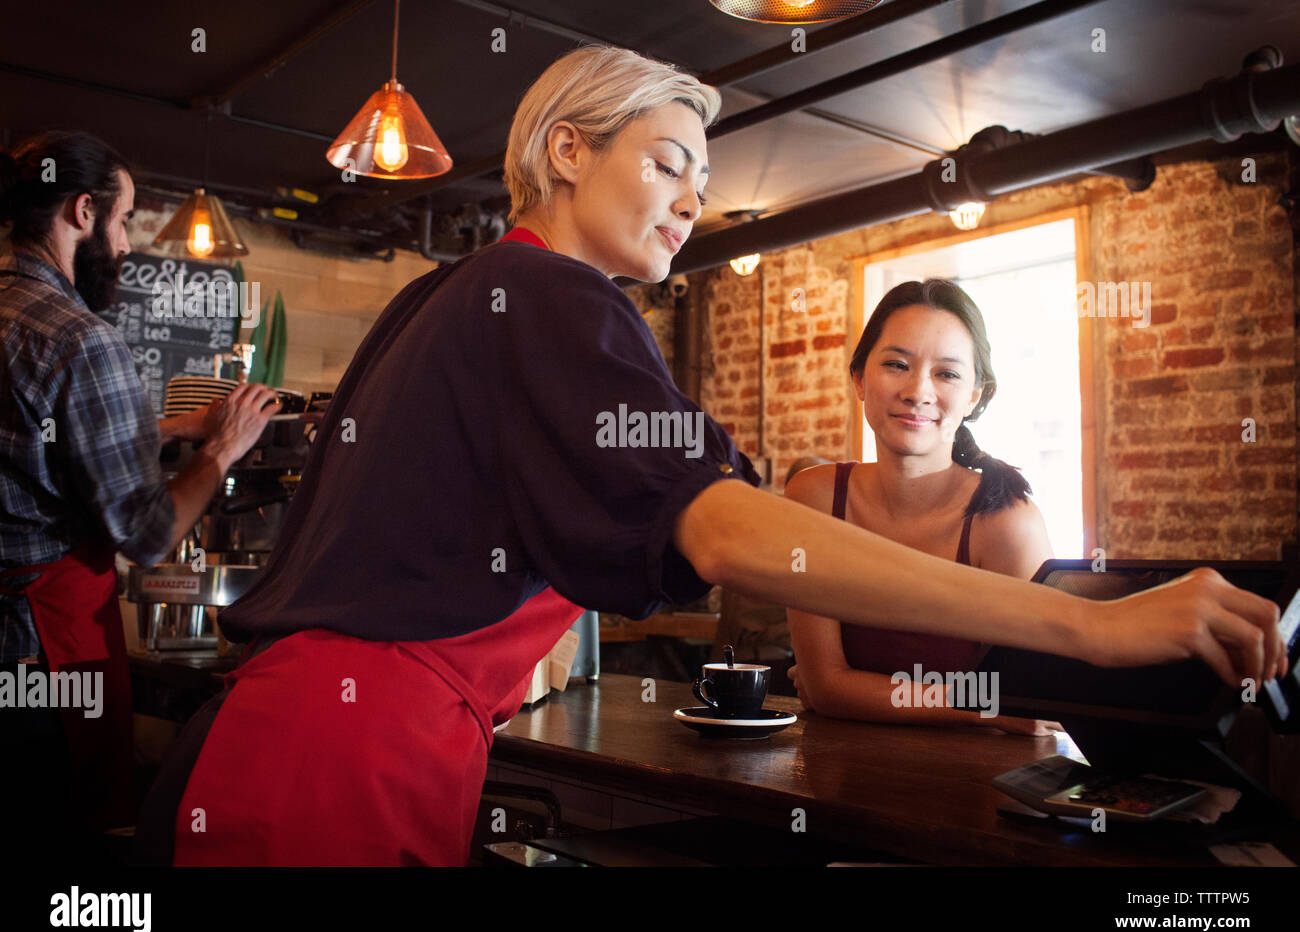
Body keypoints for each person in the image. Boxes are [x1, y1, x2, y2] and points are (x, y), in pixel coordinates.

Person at [134, 45, 1284, 867]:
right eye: (670, 160)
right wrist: (1092, 623)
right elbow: (723, 526)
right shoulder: (553, 294)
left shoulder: (452, 294)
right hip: (348, 764)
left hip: (277, 737)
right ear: (567, 149)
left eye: (703, 175)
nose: (694, 199)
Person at [0, 130, 279, 854]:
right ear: (84, 211)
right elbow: (148, 532)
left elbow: (36, 442)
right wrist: (221, 447)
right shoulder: (82, 340)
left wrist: (167, 425)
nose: (125, 246)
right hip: (42, 661)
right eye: (123, 222)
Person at [785, 279, 1062, 733]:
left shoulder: (1007, 521)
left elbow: (1033, 703)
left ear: (975, 395)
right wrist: (983, 706)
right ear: (859, 378)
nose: (918, 390)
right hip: (837, 780)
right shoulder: (813, 497)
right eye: (897, 364)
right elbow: (825, 686)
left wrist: (854, 691)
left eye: (947, 373)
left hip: (979, 788)